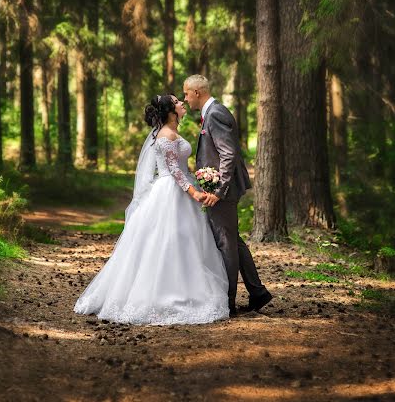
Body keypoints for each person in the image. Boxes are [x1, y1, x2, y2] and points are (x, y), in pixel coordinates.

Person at [73, 94, 229, 325]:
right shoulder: (165, 135)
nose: (182, 104)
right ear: (170, 111)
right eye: (177, 102)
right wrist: (194, 192)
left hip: (179, 189)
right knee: (169, 240)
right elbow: (175, 170)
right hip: (171, 192)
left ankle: (185, 285)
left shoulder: (171, 131)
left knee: (186, 241)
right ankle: (164, 294)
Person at [183, 75, 273, 315]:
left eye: (186, 94)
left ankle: (227, 302)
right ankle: (258, 292)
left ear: (197, 93)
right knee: (233, 241)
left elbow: (228, 154)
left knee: (225, 243)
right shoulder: (211, 113)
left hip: (223, 191)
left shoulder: (216, 114)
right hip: (221, 189)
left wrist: (218, 191)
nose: (185, 98)